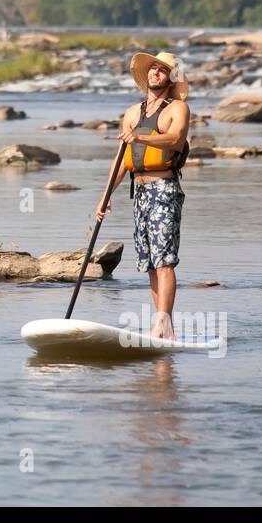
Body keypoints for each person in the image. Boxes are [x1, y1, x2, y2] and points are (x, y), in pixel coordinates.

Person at [96, 51, 190, 340]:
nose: (156, 73)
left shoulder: (178, 109)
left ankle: (163, 324)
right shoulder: (132, 113)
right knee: (149, 262)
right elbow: (121, 159)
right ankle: (162, 326)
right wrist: (105, 195)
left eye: (163, 70)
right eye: (153, 69)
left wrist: (140, 136)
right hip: (140, 192)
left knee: (164, 260)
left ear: (171, 77)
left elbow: (175, 140)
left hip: (164, 189)